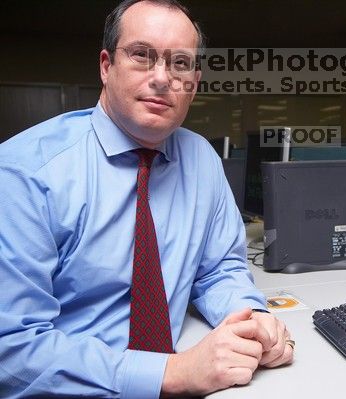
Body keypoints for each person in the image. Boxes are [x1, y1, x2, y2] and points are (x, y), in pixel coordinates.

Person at [0, 0, 293, 397]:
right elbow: (12, 351)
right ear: (106, 66)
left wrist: (251, 318)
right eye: (141, 55)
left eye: (180, 63)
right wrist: (171, 373)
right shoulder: (23, 174)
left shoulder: (201, 159)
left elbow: (218, 269)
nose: (162, 78)